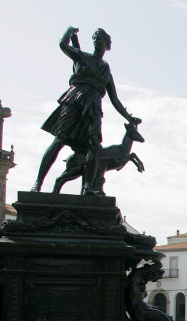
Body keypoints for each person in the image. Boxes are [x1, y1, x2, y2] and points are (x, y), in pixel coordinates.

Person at [32, 27, 141, 195]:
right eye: (95, 39)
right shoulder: (82, 57)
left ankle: (88, 187)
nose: (97, 41)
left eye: (101, 39)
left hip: (93, 107)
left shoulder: (105, 69)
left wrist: (128, 117)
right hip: (75, 99)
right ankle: (38, 183)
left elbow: (115, 99)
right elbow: (62, 44)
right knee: (59, 140)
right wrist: (69, 30)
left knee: (94, 147)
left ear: (107, 45)